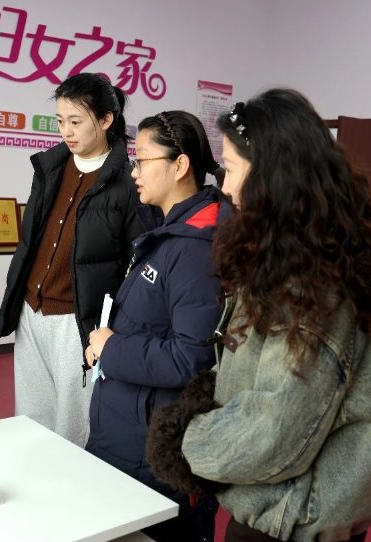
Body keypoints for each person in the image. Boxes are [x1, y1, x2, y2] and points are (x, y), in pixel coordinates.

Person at [147, 89, 371, 542]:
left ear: (271, 175)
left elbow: (274, 431)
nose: (226, 186)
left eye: (232, 168)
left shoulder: (311, 288)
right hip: (288, 512)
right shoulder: (306, 258)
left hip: (290, 519)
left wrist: (185, 443)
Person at [83, 111, 229, 541]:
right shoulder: (170, 230)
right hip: (131, 429)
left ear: (180, 165)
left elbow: (191, 357)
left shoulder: (194, 248)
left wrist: (110, 347)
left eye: (143, 160)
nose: (134, 172)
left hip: (152, 447)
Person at [0, 73, 142, 446]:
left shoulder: (128, 181)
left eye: (75, 121)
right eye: (60, 121)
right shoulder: (50, 167)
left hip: (78, 319)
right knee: (30, 417)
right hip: (31, 309)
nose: (66, 131)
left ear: (106, 119)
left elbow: (136, 260)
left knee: (73, 424)